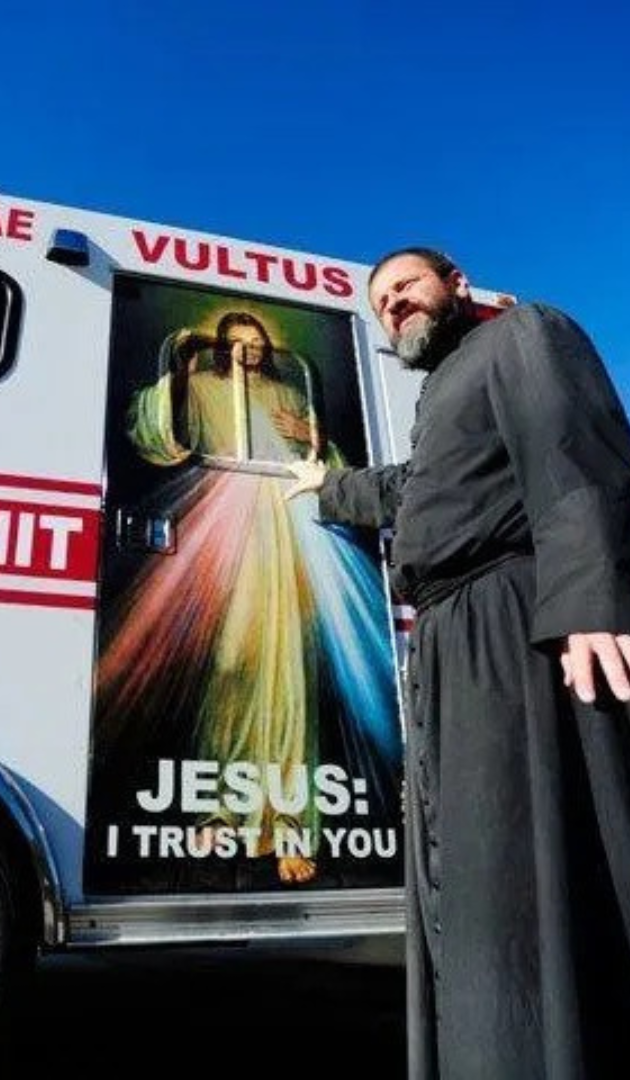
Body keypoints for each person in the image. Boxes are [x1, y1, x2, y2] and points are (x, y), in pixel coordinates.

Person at [285, 248, 630, 1078]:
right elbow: (408, 491)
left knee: (544, 875)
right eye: (381, 301)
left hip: (519, 630)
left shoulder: (523, 333)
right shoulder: (442, 398)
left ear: (456, 283)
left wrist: (592, 600)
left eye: (406, 286)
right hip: (448, 642)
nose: (394, 305)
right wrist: (326, 487)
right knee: (477, 877)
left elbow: (577, 448)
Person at [93, 310, 403, 886]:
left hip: (292, 534)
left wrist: (311, 437)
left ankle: (289, 827)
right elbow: (152, 433)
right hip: (227, 527)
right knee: (230, 666)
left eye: (255, 339)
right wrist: (178, 373)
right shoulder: (202, 387)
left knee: (288, 676)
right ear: (220, 347)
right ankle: (221, 812)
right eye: (235, 341)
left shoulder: (291, 394)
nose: (248, 349)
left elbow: (331, 472)